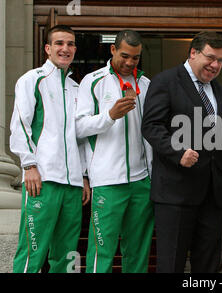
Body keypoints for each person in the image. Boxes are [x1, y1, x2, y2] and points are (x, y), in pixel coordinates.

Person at [142, 31, 222, 273]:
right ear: (193, 53)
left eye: (221, 60)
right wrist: (178, 152)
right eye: (210, 58)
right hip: (175, 194)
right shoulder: (165, 81)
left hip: (212, 193)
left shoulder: (218, 90)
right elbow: (151, 127)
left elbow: (215, 134)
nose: (216, 65)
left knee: (209, 264)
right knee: (172, 264)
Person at [10, 25, 90, 273]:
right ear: (48, 48)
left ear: (75, 49)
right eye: (59, 43)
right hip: (42, 179)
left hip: (73, 184)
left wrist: (84, 175)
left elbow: (81, 137)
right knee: (33, 250)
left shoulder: (78, 89)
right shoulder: (32, 80)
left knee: (66, 256)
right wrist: (29, 165)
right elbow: (20, 125)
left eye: (70, 44)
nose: (65, 49)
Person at [75, 30, 154, 273]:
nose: (130, 62)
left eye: (136, 58)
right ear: (112, 50)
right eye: (125, 56)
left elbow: (152, 130)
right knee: (102, 250)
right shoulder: (93, 80)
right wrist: (109, 116)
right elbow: (78, 127)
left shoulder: (146, 84)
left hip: (142, 181)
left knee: (139, 251)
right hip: (107, 181)